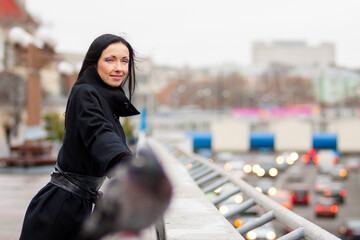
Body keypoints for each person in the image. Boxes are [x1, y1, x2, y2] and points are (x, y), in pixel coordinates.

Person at [19, 33, 140, 240]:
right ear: (94, 63)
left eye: (125, 61)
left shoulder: (103, 97)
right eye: (110, 60)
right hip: (59, 210)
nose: (119, 68)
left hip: (76, 205)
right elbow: (99, 132)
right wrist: (126, 163)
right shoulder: (85, 93)